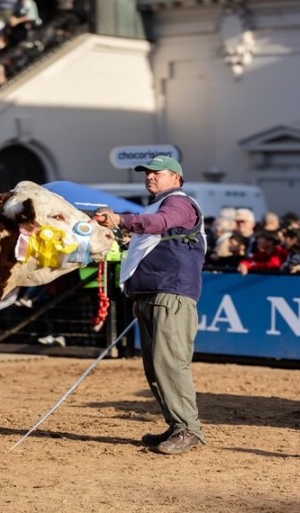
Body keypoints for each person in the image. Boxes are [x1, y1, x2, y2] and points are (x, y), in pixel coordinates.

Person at [94, 156, 206, 455]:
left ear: (176, 178)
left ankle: (188, 429)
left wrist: (120, 219)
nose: (150, 177)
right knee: (157, 366)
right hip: (152, 293)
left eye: (158, 173)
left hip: (170, 292)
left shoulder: (179, 203)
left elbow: (158, 225)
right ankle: (176, 424)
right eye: (147, 173)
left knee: (169, 363)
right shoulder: (157, 205)